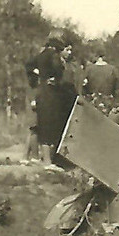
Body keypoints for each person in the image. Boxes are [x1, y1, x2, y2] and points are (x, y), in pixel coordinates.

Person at [24, 32, 79, 170]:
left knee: (44, 125)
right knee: (50, 126)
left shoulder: (40, 55)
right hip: (50, 93)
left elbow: (29, 65)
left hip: (42, 90)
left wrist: (37, 77)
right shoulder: (53, 56)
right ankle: (48, 162)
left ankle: (47, 160)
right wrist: (54, 77)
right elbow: (57, 71)